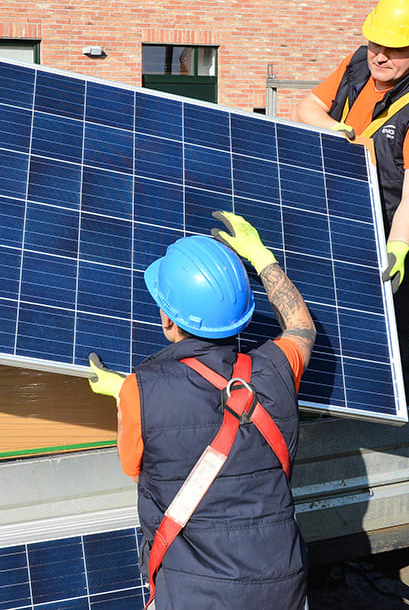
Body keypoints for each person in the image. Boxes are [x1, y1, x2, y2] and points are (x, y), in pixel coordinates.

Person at [89, 211, 315, 609]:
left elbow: (134, 467)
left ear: (167, 317)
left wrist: (127, 394)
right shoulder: (278, 367)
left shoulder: (140, 390)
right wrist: (261, 257)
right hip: (283, 583)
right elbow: (301, 327)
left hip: (199, 594)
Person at [292, 0, 409, 406]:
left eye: (396, 49)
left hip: (397, 237)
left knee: (393, 346)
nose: (381, 55)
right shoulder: (356, 65)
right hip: (348, 221)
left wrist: (397, 249)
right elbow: (306, 108)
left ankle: (404, 433)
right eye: (376, 42)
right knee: (334, 326)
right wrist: (337, 131)